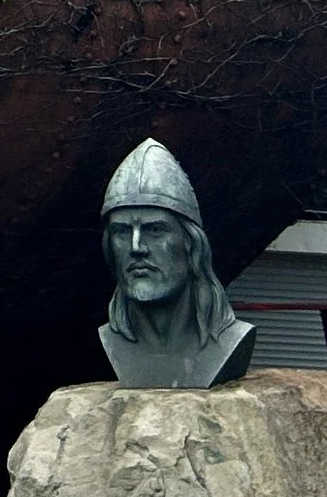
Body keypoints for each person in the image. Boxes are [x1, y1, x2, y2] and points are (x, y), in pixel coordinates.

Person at [98, 137, 255, 387]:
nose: (136, 247)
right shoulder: (110, 340)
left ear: (191, 245)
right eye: (122, 232)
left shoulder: (231, 340)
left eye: (155, 230)